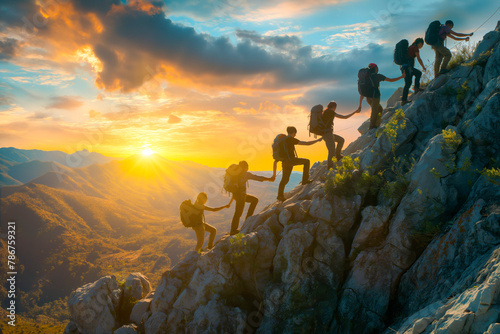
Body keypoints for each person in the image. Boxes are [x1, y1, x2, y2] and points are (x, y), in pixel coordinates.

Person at [277, 126, 322, 202]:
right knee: (306, 161)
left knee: (285, 179)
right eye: (295, 134)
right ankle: (305, 180)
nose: (295, 135)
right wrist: (317, 140)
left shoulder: (282, 140)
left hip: (284, 162)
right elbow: (306, 143)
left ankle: (280, 196)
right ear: (294, 133)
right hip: (291, 160)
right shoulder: (291, 139)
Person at [230, 161, 275, 235]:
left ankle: (247, 220)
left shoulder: (236, 174)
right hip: (241, 196)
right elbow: (257, 178)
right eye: (247, 167)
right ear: (245, 167)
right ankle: (234, 230)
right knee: (238, 212)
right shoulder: (245, 174)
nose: (248, 168)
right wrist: (270, 179)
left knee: (253, 201)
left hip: (236, 195)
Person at [358, 63, 405, 129]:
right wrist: (401, 77)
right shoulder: (377, 76)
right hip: (375, 97)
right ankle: (372, 126)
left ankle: (377, 124)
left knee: (380, 109)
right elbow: (391, 80)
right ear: (375, 68)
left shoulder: (366, 77)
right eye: (377, 68)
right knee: (375, 111)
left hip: (368, 98)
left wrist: (360, 105)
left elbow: (361, 93)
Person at [322, 101, 361, 169]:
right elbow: (344, 117)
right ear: (334, 107)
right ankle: (330, 167)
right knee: (331, 151)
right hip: (328, 134)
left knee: (341, 140)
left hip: (327, 134)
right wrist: (354, 112)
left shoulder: (325, 112)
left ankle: (337, 156)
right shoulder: (330, 112)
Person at [401, 38, 427, 105]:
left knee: (416, 75)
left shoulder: (410, 47)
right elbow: (418, 58)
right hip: (407, 68)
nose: (422, 46)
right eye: (422, 44)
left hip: (405, 67)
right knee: (408, 83)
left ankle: (416, 88)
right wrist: (423, 67)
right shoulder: (415, 47)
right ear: (419, 43)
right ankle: (404, 100)